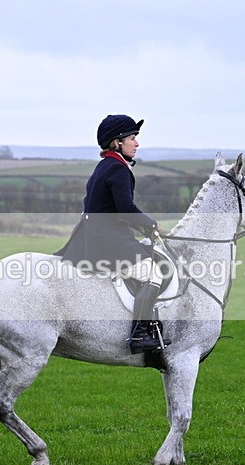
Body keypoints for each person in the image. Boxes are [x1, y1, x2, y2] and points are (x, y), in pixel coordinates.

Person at [60, 114, 170, 355]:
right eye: (132, 138)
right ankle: (139, 335)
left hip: (91, 234)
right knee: (154, 274)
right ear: (117, 142)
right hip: (108, 239)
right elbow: (125, 209)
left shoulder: (104, 166)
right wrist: (151, 225)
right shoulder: (118, 169)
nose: (137, 143)